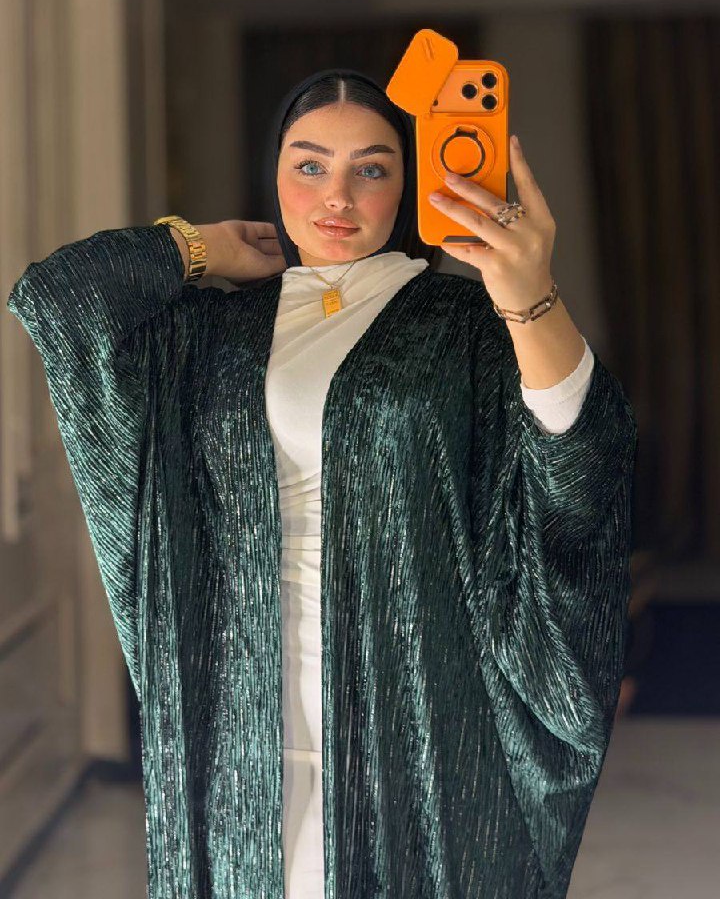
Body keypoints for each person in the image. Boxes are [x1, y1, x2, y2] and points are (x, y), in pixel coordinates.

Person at [6, 66, 638, 899]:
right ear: (273, 173)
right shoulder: (215, 331)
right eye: (309, 165)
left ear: (407, 185)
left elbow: (579, 454)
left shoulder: (464, 323)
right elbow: (54, 301)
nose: (338, 195)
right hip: (241, 719)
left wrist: (532, 299)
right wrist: (200, 246)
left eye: (371, 168)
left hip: (410, 723)